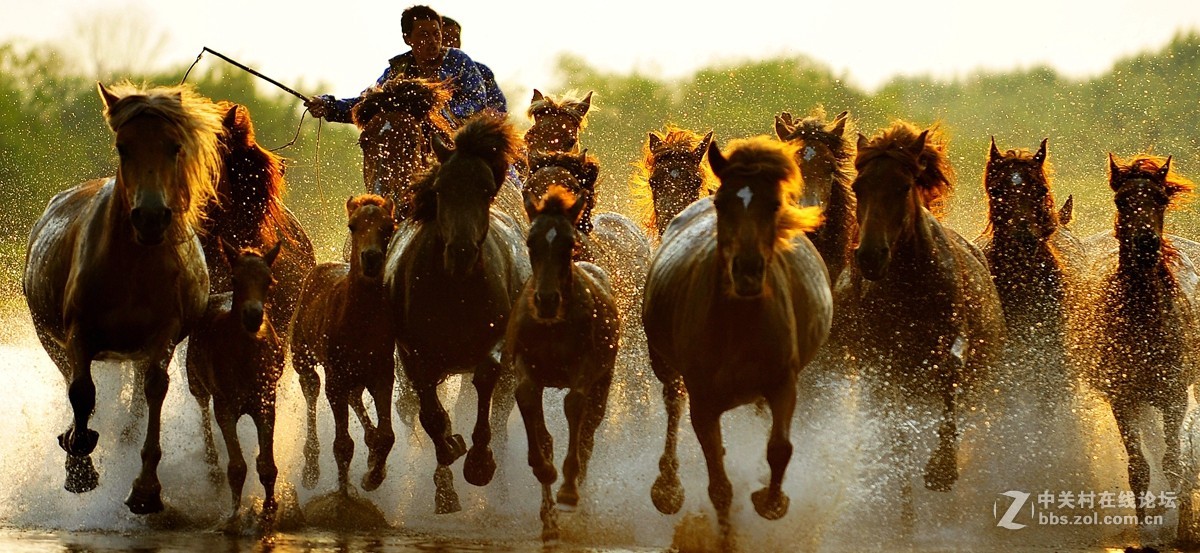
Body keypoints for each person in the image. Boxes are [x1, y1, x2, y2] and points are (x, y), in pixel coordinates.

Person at [306, 5, 491, 125]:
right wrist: (328, 105)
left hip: (462, 140)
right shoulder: (399, 69)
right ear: (407, 38)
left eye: (436, 34)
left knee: (502, 178)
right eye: (424, 35)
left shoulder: (458, 60)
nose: (433, 41)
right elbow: (367, 103)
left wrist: (439, 116)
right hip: (414, 140)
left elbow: (477, 100)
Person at [440, 16, 507, 114]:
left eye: (456, 38)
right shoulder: (418, 71)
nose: (453, 43)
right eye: (446, 38)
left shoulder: (481, 71)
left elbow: (499, 106)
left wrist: (489, 116)